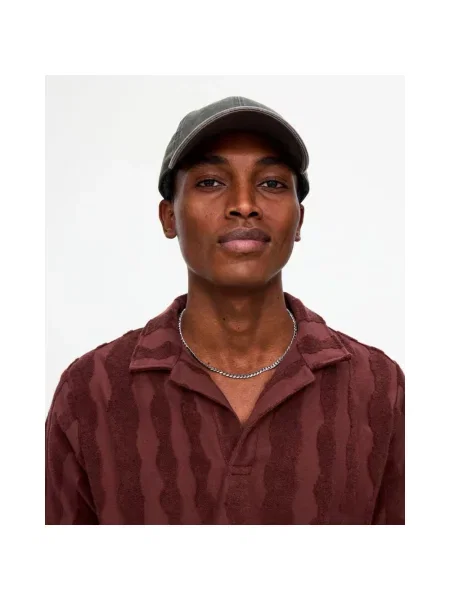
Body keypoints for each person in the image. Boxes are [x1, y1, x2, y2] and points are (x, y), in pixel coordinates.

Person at [45, 96, 405, 525]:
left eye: (271, 183)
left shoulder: (379, 389)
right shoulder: (91, 392)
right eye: (211, 182)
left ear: (299, 219)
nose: (244, 203)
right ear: (168, 217)